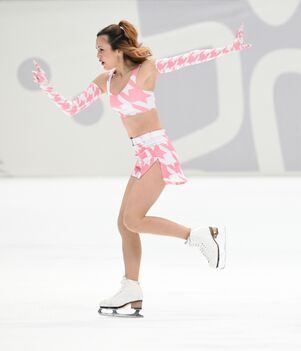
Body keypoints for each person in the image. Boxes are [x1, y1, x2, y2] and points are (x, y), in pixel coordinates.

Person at [32, 20, 251, 318]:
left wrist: (230, 48)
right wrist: (46, 87)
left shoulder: (145, 70)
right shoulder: (105, 81)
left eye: (101, 49)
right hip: (141, 154)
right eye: (96, 49)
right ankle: (131, 289)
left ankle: (200, 235)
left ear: (119, 49)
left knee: (133, 220)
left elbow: (187, 59)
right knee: (124, 224)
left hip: (158, 151)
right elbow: (72, 108)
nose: (97, 54)